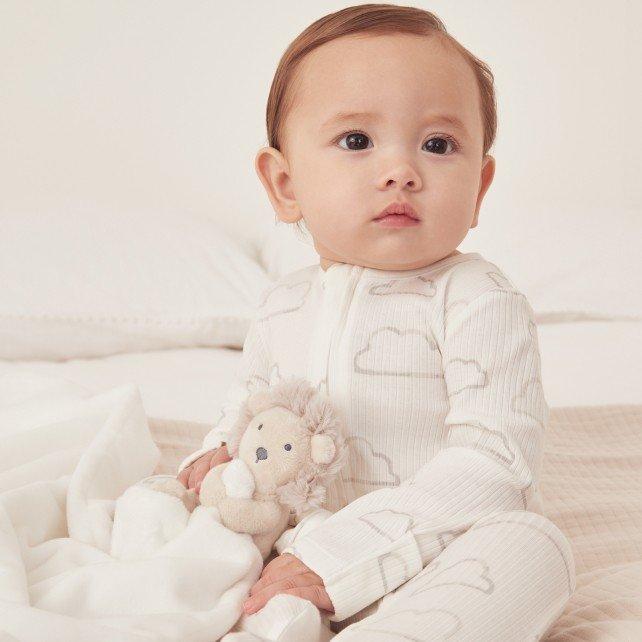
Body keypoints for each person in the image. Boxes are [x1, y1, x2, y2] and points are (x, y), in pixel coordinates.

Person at [177, 4, 576, 640]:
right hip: (278, 556)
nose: (401, 171)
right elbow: (244, 413)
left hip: (430, 562)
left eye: (438, 145)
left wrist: (343, 559)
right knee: (162, 507)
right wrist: (216, 457)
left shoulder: (478, 298)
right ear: (285, 185)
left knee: (536, 547)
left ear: (479, 186)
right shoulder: (282, 304)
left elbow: (497, 464)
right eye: (357, 142)